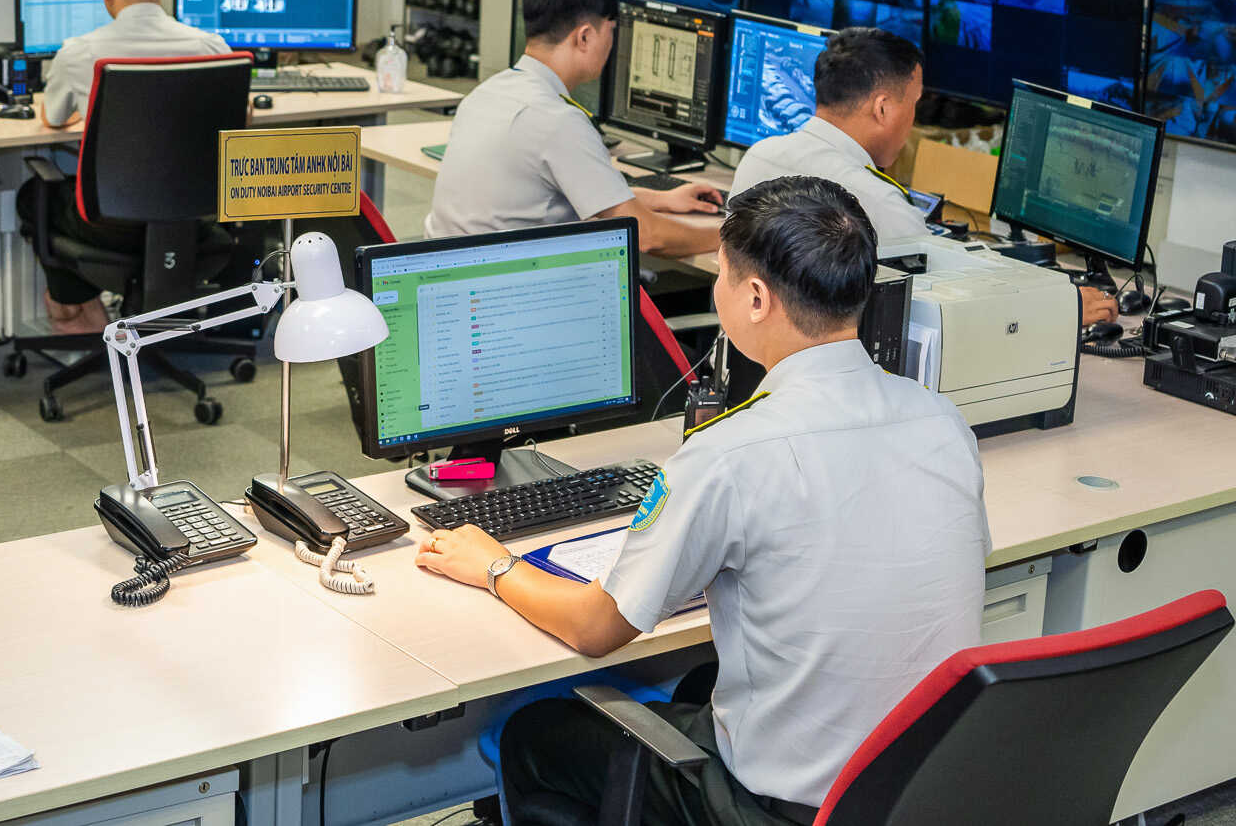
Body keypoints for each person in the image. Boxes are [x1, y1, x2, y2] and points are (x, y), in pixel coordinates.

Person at [415, 176, 990, 826]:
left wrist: (494, 565)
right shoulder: (942, 421)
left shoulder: (729, 452)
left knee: (533, 733)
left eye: (720, 273)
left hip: (780, 811)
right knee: (697, 682)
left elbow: (595, 629)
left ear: (755, 297)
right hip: (917, 796)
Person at [732, 28, 1118, 325]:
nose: (914, 119)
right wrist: (1058, 308)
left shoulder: (758, 159)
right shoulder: (876, 202)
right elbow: (954, 309)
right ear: (883, 109)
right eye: (914, 104)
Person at [18, 0, 233, 334]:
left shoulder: (79, 53)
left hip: (110, 226)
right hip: (193, 221)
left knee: (34, 196)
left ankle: (75, 307)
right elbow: (240, 117)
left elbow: (52, 119)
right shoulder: (211, 47)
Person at [426, 0, 721, 256]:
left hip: (450, 273)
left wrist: (662, 199)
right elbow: (647, 236)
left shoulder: (486, 93)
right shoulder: (558, 121)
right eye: (612, 31)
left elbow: (587, 195)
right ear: (585, 37)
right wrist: (732, 237)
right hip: (500, 283)